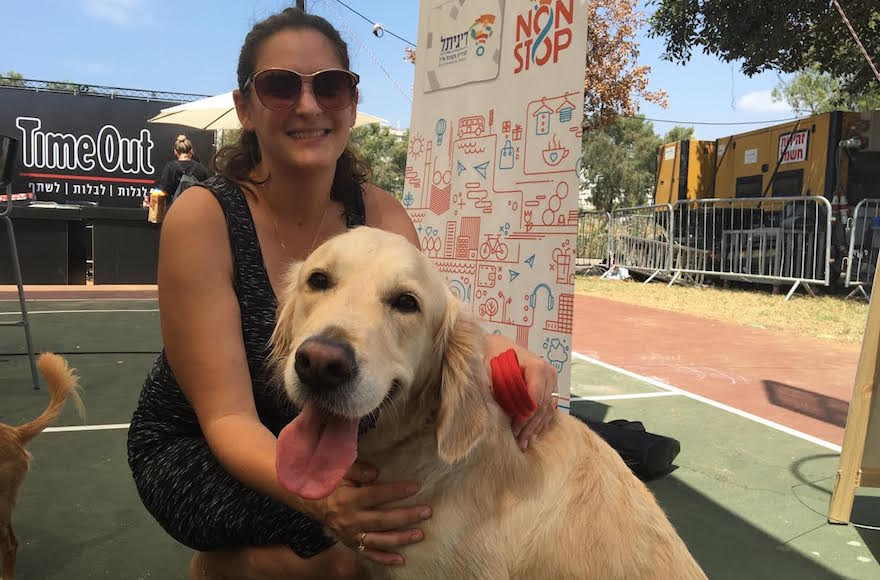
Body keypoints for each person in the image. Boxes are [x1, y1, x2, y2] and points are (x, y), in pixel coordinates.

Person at [126, 8, 558, 580]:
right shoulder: (202, 217)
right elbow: (228, 417)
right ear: (246, 108)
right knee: (350, 561)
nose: (308, 106)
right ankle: (229, 567)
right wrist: (323, 504)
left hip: (329, 435)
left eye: (330, 86)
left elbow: (420, 315)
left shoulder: (380, 212)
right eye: (280, 86)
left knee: (408, 524)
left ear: (351, 106)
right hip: (203, 449)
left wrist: (506, 349)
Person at [157, 134, 211, 203]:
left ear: (175, 151)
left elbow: (164, 190)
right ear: (191, 151)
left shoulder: (170, 167)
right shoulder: (200, 168)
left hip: (174, 209)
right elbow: (207, 191)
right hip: (195, 209)